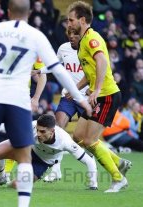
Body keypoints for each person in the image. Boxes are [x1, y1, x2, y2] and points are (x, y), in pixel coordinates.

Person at [0, 0, 92, 206]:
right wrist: (81, 98)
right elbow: (57, 70)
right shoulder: (35, 36)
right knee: (25, 159)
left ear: (8, 11)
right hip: (18, 102)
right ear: (29, 13)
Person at [41, 28, 131, 182]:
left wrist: (94, 89)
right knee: (57, 128)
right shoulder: (64, 48)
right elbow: (55, 65)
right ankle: (56, 169)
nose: (72, 37)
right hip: (69, 97)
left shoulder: (89, 47)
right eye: (69, 34)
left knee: (87, 139)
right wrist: (40, 70)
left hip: (88, 98)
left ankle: (116, 164)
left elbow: (97, 69)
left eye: (75, 34)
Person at [67, 1, 128, 193]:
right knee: (77, 137)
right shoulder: (83, 40)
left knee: (90, 140)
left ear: (82, 20)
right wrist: (75, 89)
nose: (68, 24)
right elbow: (90, 71)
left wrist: (96, 89)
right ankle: (118, 161)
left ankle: (118, 179)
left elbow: (101, 60)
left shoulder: (92, 38)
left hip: (107, 95)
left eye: (71, 20)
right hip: (97, 95)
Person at [0, 114, 98, 190]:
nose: (38, 134)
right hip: (27, 150)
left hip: (42, 162)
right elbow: (10, 127)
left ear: (52, 131)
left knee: (16, 185)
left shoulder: (65, 141)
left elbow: (89, 161)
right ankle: (0, 177)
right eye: (38, 130)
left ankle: (11, 182)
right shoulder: (33, 127)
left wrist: (93, 185)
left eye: (43, 132)